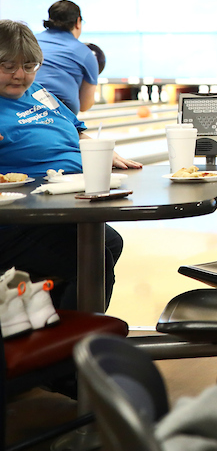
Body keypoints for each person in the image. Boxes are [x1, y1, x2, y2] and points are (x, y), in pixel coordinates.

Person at [0, 20, 141, 311]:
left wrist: (97, 151)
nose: (20, 75)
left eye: (28, 66)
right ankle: (77, 344)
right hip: (16, 217)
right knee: (93, 257)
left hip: (61, 201)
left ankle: (56, 325)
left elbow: (76, 128)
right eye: (7, 66)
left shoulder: (39, 92)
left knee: (107, 243)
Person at [35, 0, 99, 114]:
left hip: (20, 108)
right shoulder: (86, 53)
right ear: (78, 22)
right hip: (60, 116)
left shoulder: (31, 41)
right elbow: (84, 105)